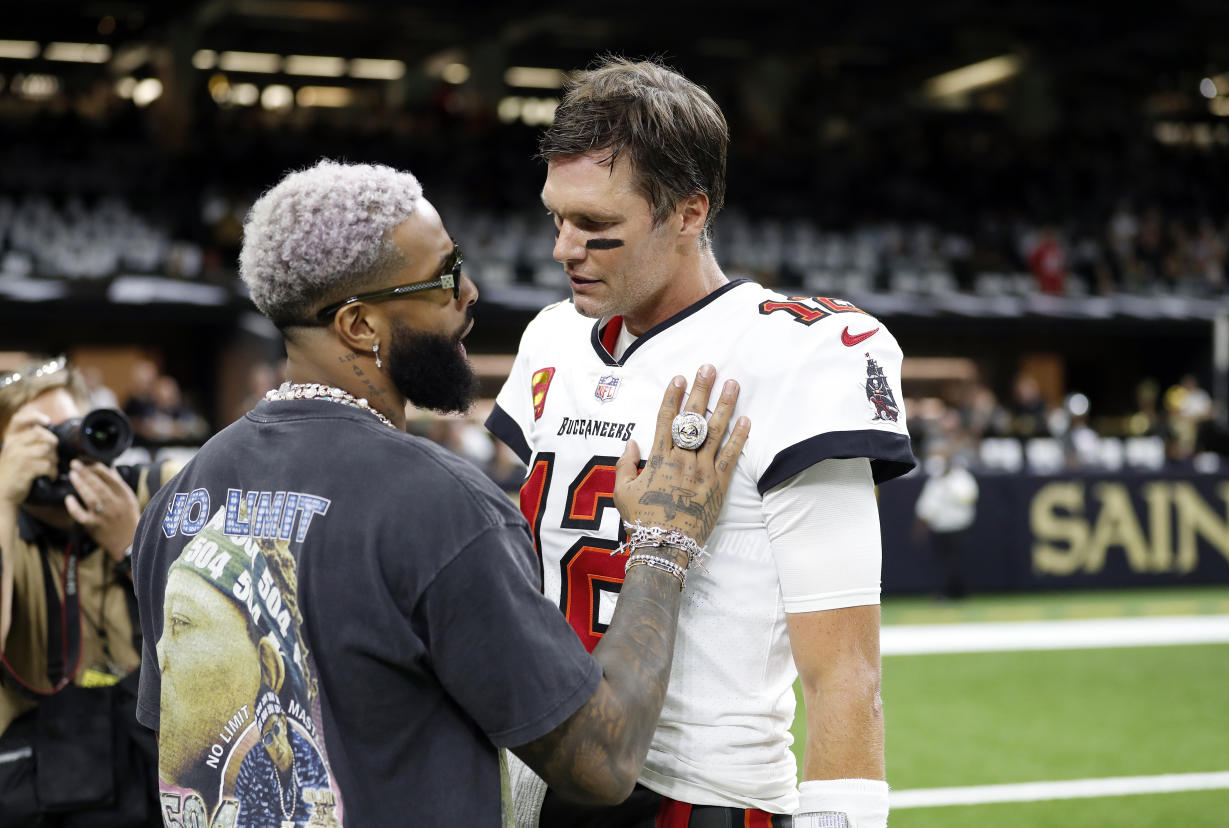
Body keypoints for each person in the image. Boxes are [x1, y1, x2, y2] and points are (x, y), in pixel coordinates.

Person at [130, 159, 750, 827]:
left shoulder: (180, 500)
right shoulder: (438, 505)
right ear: (360, 326)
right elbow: (601, 762)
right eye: (445, 278)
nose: (471, 293)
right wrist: (664, 542)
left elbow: (168, 749)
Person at [486, 58, 915, 827]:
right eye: (557, 218)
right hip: (546, 775)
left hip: (700, 795)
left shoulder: (796, 355)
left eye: (596, 228)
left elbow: (845, 671)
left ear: (688, 213)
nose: (563, 249)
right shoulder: (552, 338)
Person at [0, 355, 175, 826]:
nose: (67, 450)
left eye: (76, 431)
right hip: (36, 792)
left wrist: (129, 546)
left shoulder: (150, 497)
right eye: (41, 437)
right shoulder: (6, 523)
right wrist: (4, 496)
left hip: (147, 774)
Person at [913, 442, 979, 600]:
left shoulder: (960, 477)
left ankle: (958, 592)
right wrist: (922, 523)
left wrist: (949, 487)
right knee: (943, 563)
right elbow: (927, 504)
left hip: (958, 528)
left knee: (956, 562)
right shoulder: (935, 480)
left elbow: (968, 497)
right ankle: (947, 591)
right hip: (940, 528)